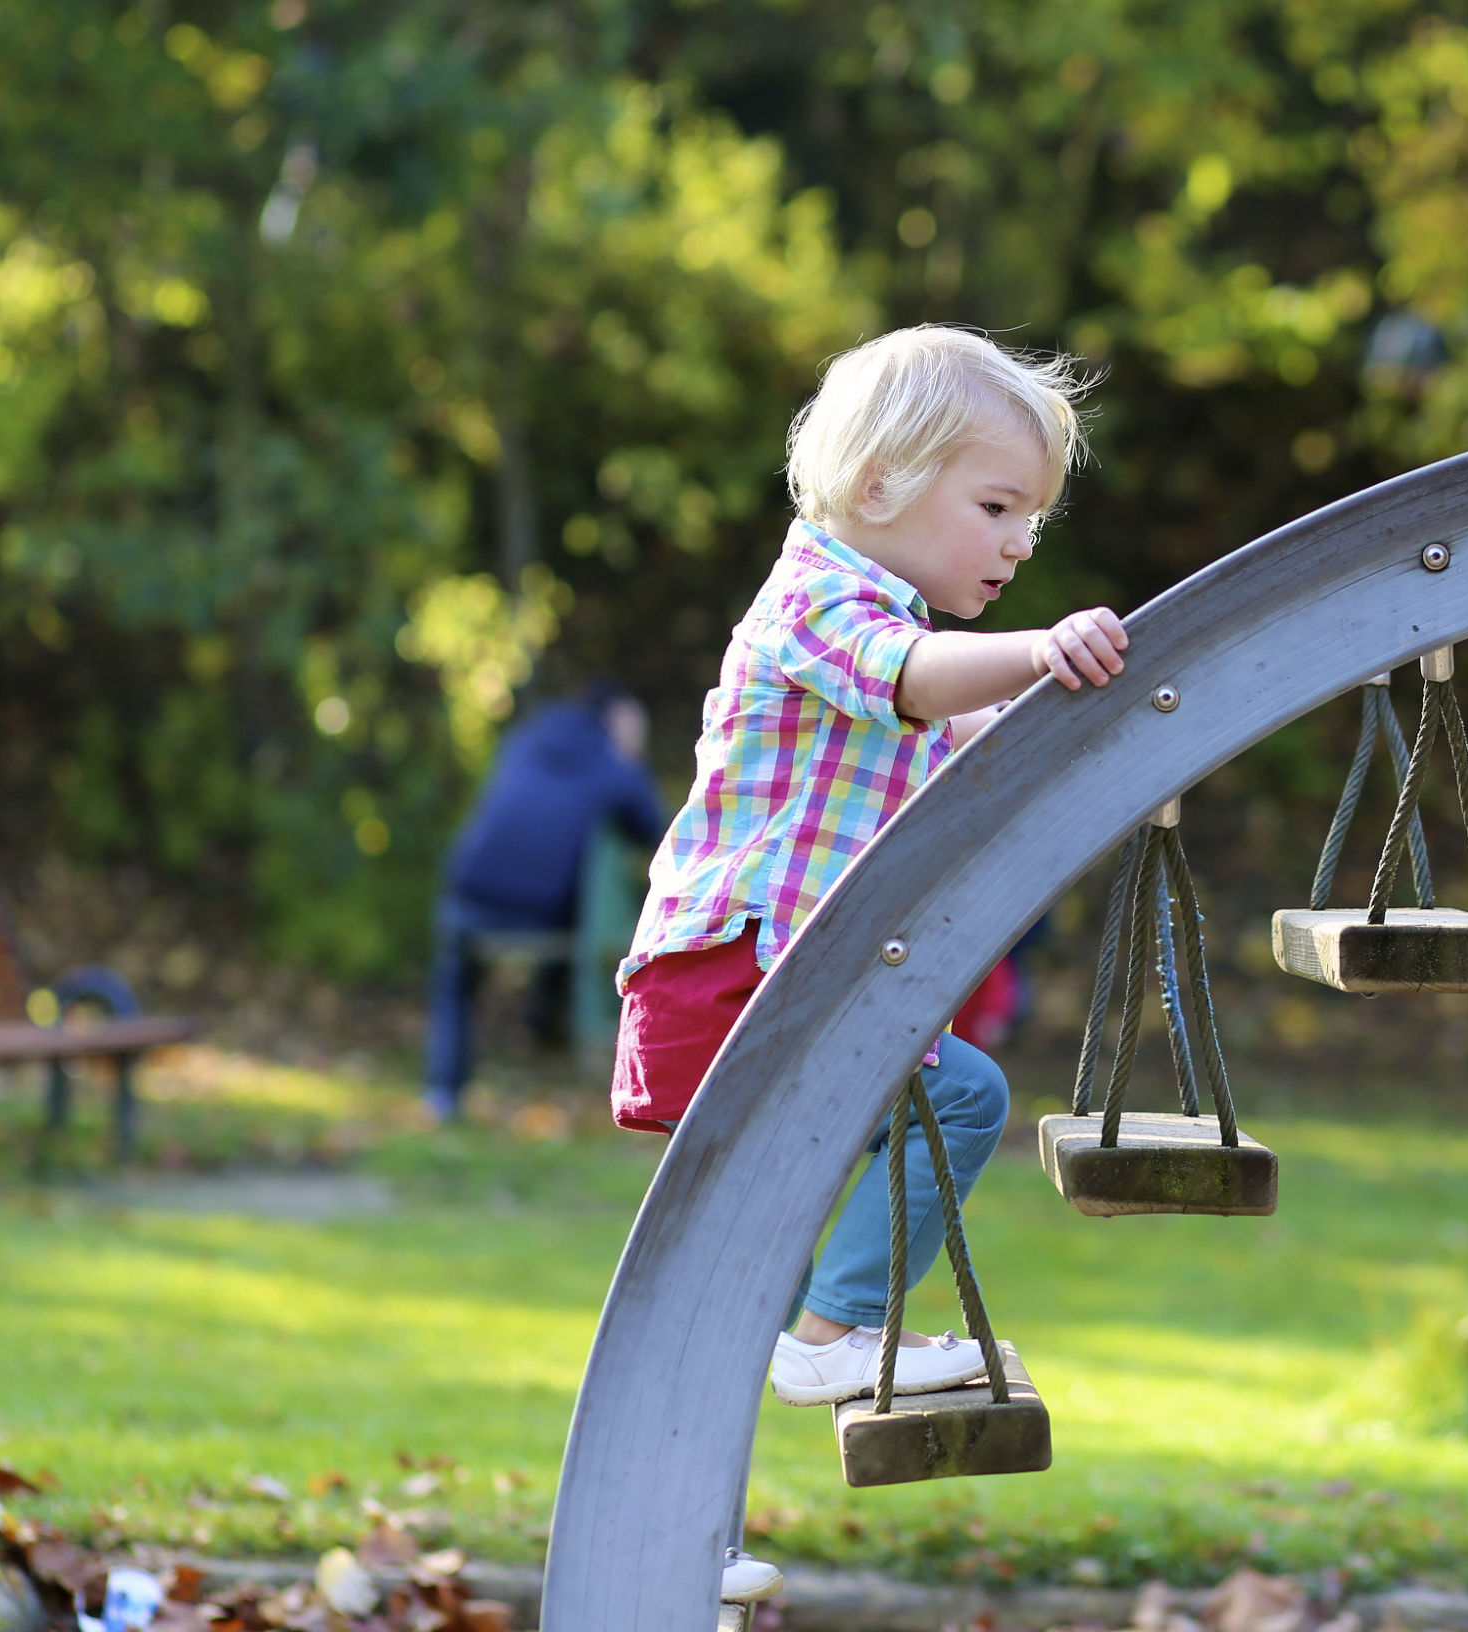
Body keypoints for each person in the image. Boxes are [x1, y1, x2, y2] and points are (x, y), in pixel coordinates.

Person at [608, 326, 1127, 1605]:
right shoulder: (821, 605)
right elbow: (914, 681)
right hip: (735, 977)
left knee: (736, 1270)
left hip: (765, 982)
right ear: (885, 483)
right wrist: (1037, 650)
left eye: (1032, 522)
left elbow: (966, 737)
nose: (1017, 544)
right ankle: (834, 1344)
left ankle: (691, 1543)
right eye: (997, 506)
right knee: (959, 1098)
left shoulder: (899, 632)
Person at [422, 684, 664, 1123]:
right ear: (615, 722)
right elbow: (654, 831)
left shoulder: (525, 741)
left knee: (455, 984)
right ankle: (544, 1034)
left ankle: (442, 1094)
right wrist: (631, 761)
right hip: (540, 908)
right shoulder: (612, 766)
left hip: (469, 889)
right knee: (586, 907)